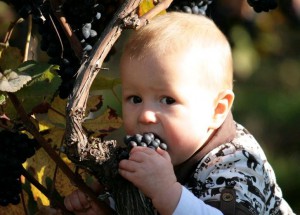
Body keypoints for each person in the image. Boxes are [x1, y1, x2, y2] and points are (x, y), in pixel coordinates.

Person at [64, 12, 295, 214]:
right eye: (135, 99)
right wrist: (103, 207)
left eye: (168, 100)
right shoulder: (152, 159)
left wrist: (169, 194)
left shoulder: (235, 165)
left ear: (217, 110)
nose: (145, 115)